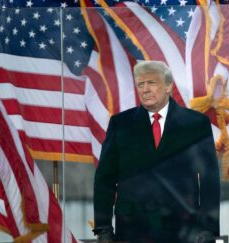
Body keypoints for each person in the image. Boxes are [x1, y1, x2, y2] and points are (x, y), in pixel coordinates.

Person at [93, 60, 220, 243]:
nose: (145, 90)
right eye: (140, 84)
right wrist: (103, 227)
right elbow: (105, 179)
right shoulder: (120, 124)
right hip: (132, 230)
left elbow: (210, 179)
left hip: (182, 229)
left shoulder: (196, 124)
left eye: (151, 83)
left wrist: (208, 228)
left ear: (168, 86)